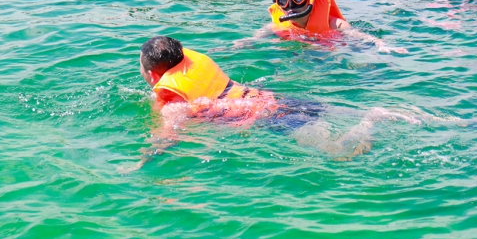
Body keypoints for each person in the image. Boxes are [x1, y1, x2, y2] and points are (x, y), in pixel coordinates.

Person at [137, 35, 419, 161]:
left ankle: (372, 120)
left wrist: (142, 161)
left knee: (337, 153)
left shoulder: (171, 96)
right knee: (337, 112)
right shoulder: (193, 60)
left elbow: (168, 135)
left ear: (153, 73)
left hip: (268, 118)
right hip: (272, 98)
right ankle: (375, 112)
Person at [233, 0, 405, 53]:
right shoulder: (276, 25)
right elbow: (252, 40)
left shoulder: (334, 24)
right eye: (284, 1)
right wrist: (239, 45)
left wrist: (380, 44)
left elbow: (360, 37)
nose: (291, 5)